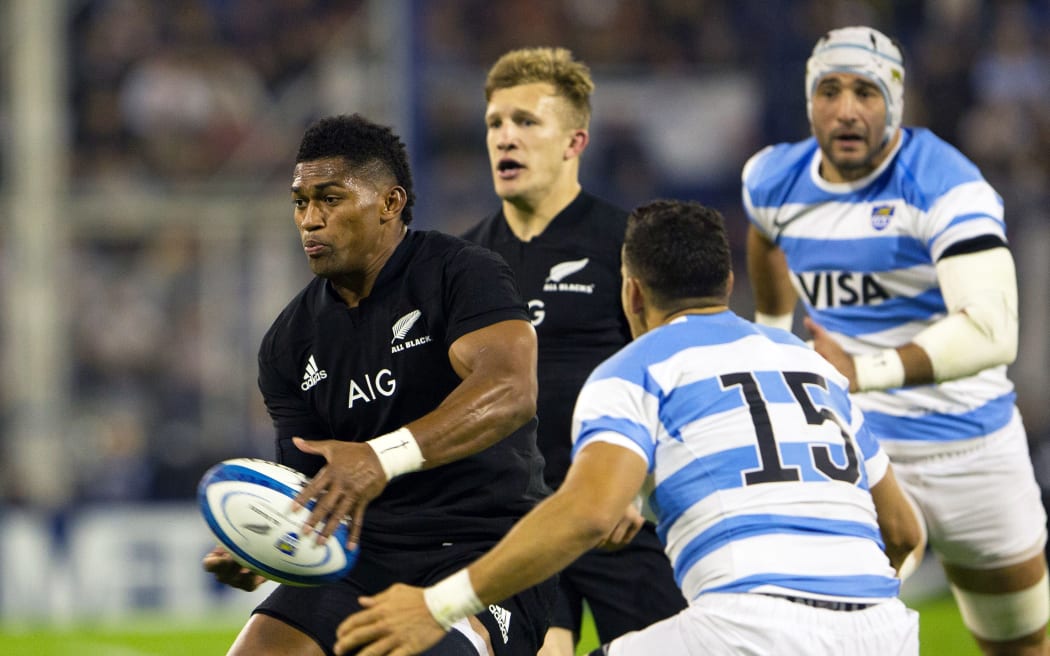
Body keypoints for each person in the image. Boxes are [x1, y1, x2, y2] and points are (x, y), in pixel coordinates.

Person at [333, 199, 921, 656]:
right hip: (884, 633)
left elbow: (584, 515)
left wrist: (438, 605)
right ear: (726, 284)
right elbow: (902, 532)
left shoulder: (635, 369)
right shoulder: (812, 366)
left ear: (631, 292)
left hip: (747, 631)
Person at [742, 26, 1050, 655]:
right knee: (826, 637)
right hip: (856, 451)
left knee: (1019, 644)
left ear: (896, 102)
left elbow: (993, 331)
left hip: (973, 448)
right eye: (830, 90)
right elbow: (765, 236)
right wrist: (770, 338)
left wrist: (861, 368)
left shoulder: (944, 183)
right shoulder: (772, 179)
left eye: (866, 91)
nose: (847, 109)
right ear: (810, 101)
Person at [201, 113, 557, 656]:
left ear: (390, 203)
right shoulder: (288, 343)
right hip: (363, 560)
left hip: (486, 549)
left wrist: (381, 456)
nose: (310, 220)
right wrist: (267, 545)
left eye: (331, 199)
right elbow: (310, 486)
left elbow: (510, 390)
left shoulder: (460, 273)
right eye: (301, 202)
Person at [459, 47, 687, 656]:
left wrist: (637, 491)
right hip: (520, 525)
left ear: (574, 141)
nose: (506, 137)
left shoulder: (627, 246)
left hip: (621, 520)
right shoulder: (462, 267)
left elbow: (679, 379)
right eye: (495, 124)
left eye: (526, 122)